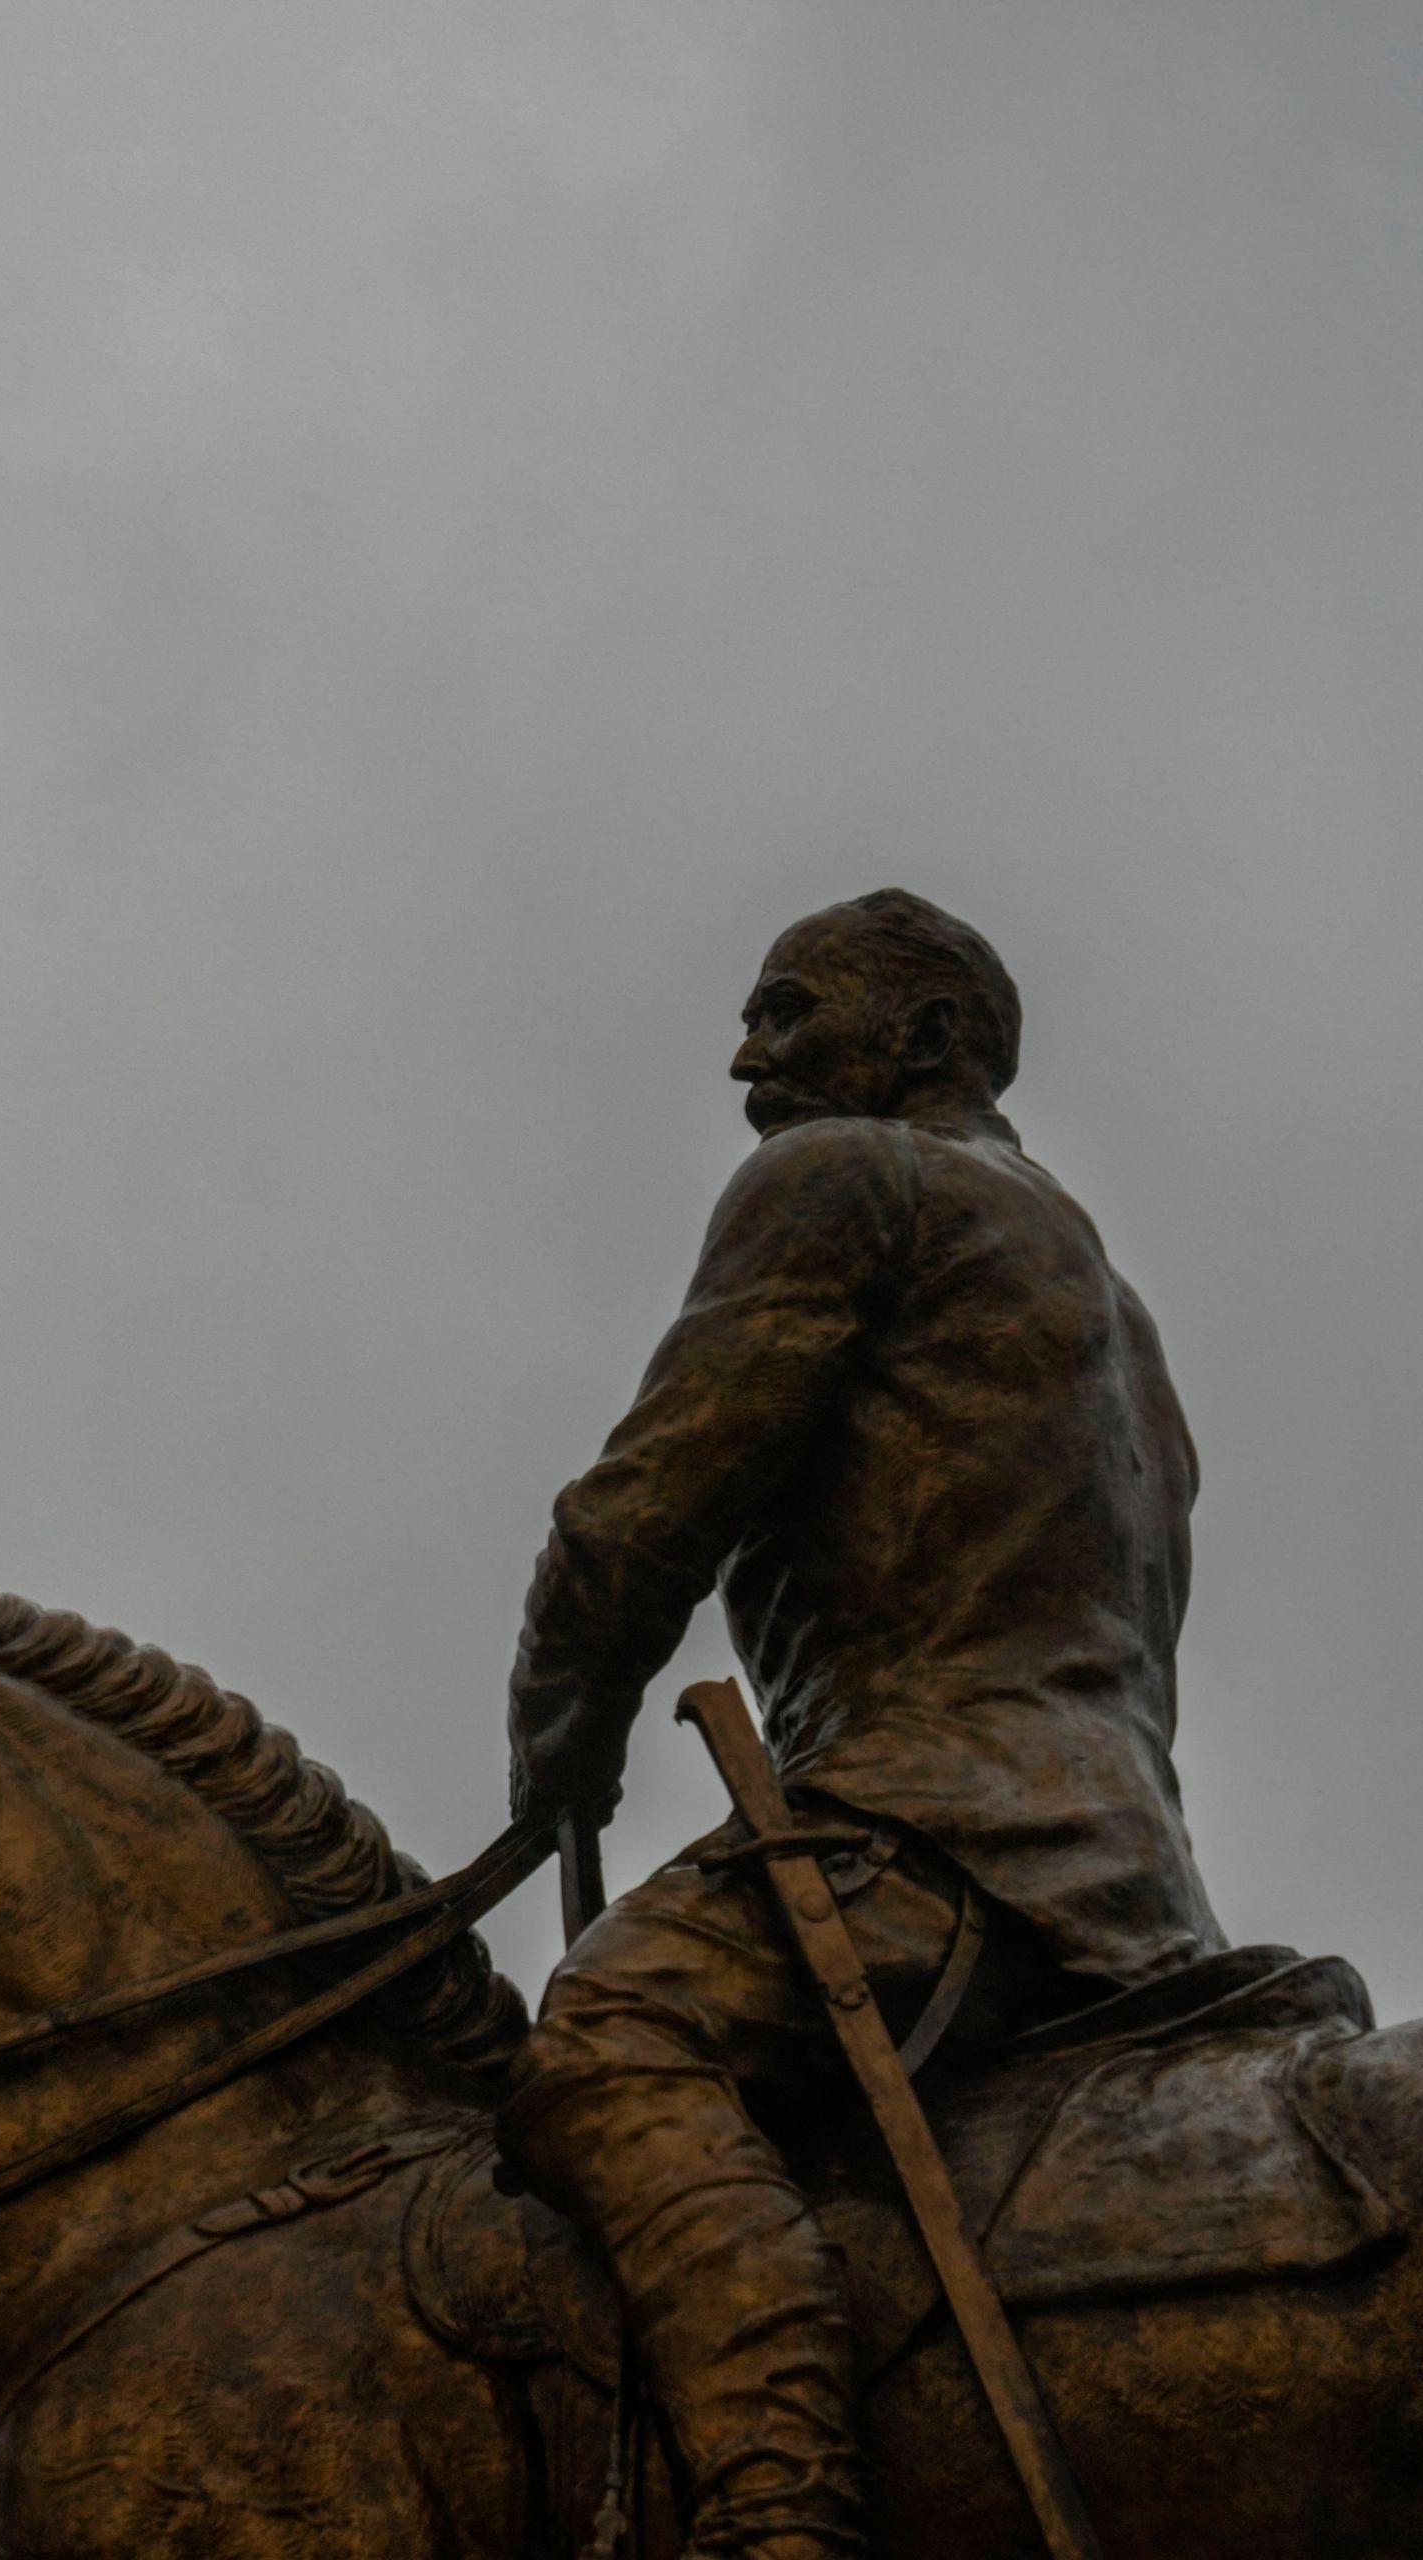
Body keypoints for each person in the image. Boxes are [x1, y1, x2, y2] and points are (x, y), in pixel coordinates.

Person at [496, 890, 1227, 2559]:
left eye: (788, 1010)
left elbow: (643, 1517)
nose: (746, 1054)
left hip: (932, 1831)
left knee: (610, 2035)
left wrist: (562, 1743)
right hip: (1129, 1875)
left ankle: (777, 2514)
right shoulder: (1120, 1308)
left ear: (923, 1040)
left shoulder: (847, 1180)